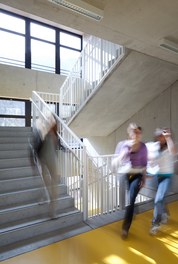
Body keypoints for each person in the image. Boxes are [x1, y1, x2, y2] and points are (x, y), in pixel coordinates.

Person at [113, 123, 148, 239]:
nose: (136, 134)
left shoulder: (143, 147)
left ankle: (125, 228)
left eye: (138, 132)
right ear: (130, 134)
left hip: (137, 174)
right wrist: (122, 156)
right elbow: (119, 158)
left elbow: (144, 164)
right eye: (134, 132)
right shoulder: (125, 145)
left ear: (141, 134)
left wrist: (144, 178)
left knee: (130, 199)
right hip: (127, 174)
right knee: (131, 199)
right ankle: (133, 209)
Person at [31, 111, 60, 219]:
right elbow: (36, 145)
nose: (52, 121)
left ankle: (52, 209)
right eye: (50, 119)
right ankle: (44, 196)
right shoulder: (41, 130)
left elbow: (57, 145)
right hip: (43, 159)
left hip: (51, 160)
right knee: (46, 181)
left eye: (53, 119)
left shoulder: (54, 133)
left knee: (54, 183)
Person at [150, 128, 177, 235]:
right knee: (160, 198)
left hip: (167, 177)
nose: (160, 137)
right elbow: (153, 162)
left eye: (162, 135)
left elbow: (174, 152)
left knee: (158, 199)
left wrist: (168, 137)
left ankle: (155, 224)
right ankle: (165, 213)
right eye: (158, 136)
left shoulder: (169, 145)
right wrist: (151, 162)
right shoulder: (156, 147)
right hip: (158, 176)